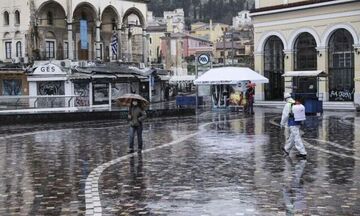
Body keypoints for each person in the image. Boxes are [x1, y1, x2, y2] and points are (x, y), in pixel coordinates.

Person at [280, 93, 307, 158]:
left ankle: (303, 152)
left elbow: (285, 115)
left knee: (297, 137)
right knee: (292, 136)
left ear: (285, 99)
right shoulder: (295, 103)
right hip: (298, 122)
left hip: (292, 123)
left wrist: (282, 123)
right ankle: (287, 149)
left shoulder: (288, 104)